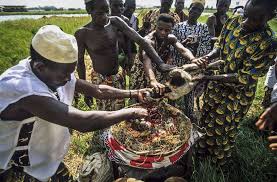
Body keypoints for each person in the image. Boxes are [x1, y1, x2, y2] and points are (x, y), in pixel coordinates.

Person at [0, 25, 150, 181]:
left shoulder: (49, 69)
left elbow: (97, 90)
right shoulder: (22, 89)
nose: (68, 79)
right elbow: (82, 122)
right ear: (40, 67)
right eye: (65, 74)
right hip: (17, 166)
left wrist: (133, 93)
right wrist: (131, 112)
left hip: (44, 156)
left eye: (70, 73)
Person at [196, 0, 277, 165]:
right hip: (216, 86)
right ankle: (199, 155)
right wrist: (207, 57)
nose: (247, 23)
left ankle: (217, 166)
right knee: (205, 120)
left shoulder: (268, 42)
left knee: (221, 130)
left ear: (271, 17)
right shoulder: (234, 21)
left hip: (236, 95)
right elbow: (220, 46)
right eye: (247, 16)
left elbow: (243, 78)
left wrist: (208, 77)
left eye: (257, 19)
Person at [75, 0, 174, 110]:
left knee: (120, 111)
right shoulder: (83, 33)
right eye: (100, 13)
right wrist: (86, 91)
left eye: (107, 12)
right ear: (89, 10)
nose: (105, 16)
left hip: (117, 76)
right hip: (99, 79)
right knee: (104, 113)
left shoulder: (115, 22)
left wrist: (160, 63)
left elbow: (141, 40)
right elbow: (80, 63)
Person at [131, 14, 196, 93]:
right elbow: (146, 59)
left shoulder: (171, 38)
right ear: (156, 26)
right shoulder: (148, 41)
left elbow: (183, 50)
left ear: (171, 29)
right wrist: (152, 80)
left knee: (159, 97)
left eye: (167, 30)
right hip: (143, 72)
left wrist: (193, 59)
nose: (163, 32)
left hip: (159, 73)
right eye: (160, 29)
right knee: (141, 98)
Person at [172, 0, 211, 120]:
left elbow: (207, 47)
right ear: (189, 9)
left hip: (193, 67)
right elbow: (173, 45)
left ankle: (189, 117)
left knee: (189, 92)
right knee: (174, 90)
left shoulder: (203, 27)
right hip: (179, 65)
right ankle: (171, 115)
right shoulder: (178, 26)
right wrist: (184, 43)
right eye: (194, 8)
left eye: (199, 10)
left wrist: (197, 44)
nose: (196, 12)